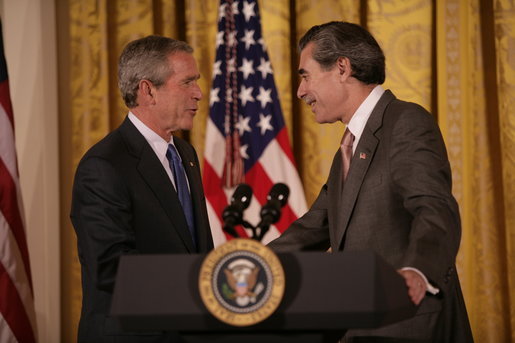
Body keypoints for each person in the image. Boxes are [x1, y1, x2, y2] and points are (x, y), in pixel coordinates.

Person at [268, 22, 473, 342]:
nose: (300, 91)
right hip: (358, 325)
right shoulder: (347, 150)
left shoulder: (405, 121)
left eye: (305, 75)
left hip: (408, 321)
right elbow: (311, 229)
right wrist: (246, 269)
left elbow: (435, 208)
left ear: (341, 67)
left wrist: (418, 271)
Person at [70, 35, 214, 343]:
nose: (199, 93)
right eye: (187, 82)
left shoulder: (185, 156)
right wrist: (202, 284)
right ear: (148, 90)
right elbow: (111, 268)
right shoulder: (104, 165)